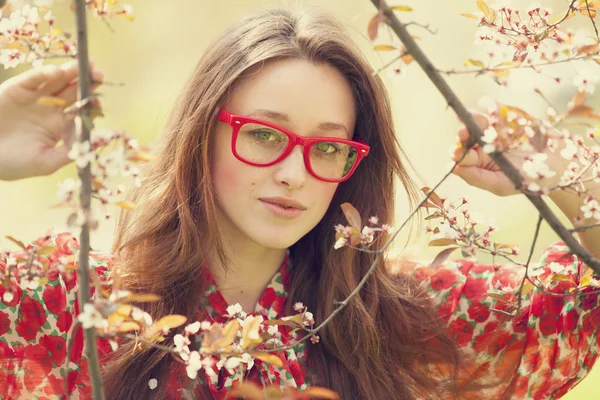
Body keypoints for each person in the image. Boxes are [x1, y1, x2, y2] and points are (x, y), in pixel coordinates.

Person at [0, 6, 599, 400]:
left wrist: (561, 179)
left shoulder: (405, 323)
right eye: (264, 135)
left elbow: (585, 304)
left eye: (328, 147)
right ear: (201, 133)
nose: (293, 173)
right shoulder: (70, 309)